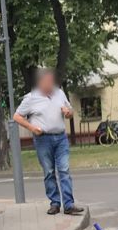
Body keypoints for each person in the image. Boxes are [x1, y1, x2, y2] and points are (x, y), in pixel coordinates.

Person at [13, 69, 84, 216]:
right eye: (47, 82)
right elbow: (17, 116)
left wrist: (68, 112)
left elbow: (70, 112)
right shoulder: (31, 97)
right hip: (43, 139)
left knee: (64, 170)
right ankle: (55, 203)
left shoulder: (59, 93)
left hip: (61, 138)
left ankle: (69, 204)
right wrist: (32, 128)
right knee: (49, 172)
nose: (51, 84)